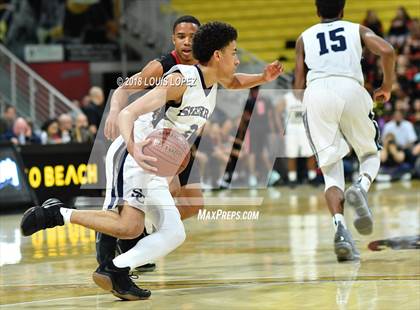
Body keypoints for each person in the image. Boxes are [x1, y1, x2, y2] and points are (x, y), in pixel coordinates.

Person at [21, 21, 283, 300]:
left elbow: (234, 80)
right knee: (128, 226)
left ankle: (114, 269)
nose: (238, 58)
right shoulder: (180, 78)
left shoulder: (214, 80)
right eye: (234, 52)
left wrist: (262, 77)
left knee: (174, 232)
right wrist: (134, 148)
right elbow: (127, 113)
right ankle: (55, 214)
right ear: (218, 55)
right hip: (135, 154)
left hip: (158, 165)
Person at [98, 15, 202, 274]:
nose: (187, 42)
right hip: (148, 140)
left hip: (177, 143)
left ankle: (137, 240)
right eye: (181, 36)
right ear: (173, 39)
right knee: (127, 204)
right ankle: (111, 254)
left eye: (193, 37)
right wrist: (113, 112)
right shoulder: (161, 67)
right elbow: (123, 90)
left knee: (192, 203)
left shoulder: (206, 64)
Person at [294, 0, 395, 261]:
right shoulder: (356, 30)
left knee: (331, 173)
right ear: (343, 9)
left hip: (315, 94)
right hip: (349, 88)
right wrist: (387, 87)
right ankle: (361, 187)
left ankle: (340, 230)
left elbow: (297, 87)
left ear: (317, 11)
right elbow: (387, 50)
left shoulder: (303, 38)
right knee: (370, 154)